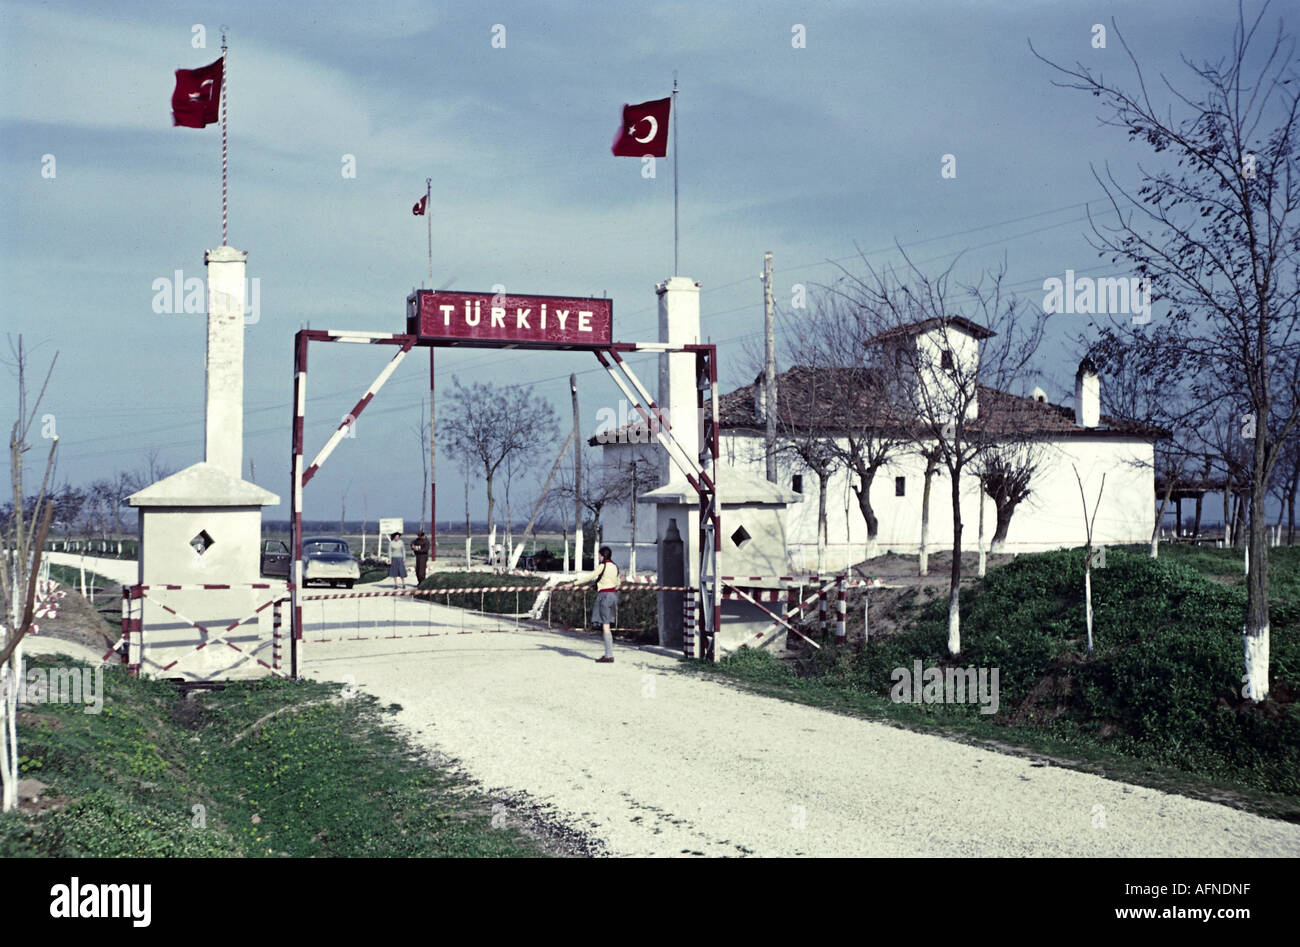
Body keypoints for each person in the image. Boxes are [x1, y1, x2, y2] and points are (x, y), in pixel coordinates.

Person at [579, 546, 619, 663]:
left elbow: (590, 576)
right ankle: (608, 654)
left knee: (605, 626)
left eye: (599, 555)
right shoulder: (615, 566)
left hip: (604, 596)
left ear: (602, 555)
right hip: (613, 595)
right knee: (607, 625)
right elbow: (617, 582)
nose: (598, 557)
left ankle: (608, 655)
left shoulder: (603, 566)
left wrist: (574, 583)